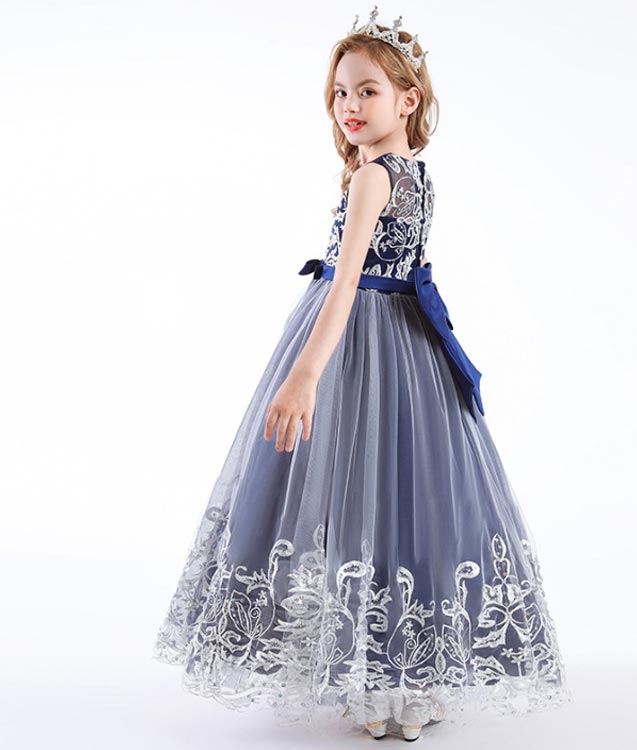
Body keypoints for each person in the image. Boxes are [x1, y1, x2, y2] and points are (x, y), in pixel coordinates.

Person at [153, 5, 572, 742]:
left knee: (355, 493)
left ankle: (375, 679)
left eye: (367, 91)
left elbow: (346, 282)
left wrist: (305, 374)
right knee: (407, 500)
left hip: (362, 344)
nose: (349, 106)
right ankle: (405, 675)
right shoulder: (414, 175)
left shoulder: (374, 178)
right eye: (340, 93)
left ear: (408, 99)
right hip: (407, 346)